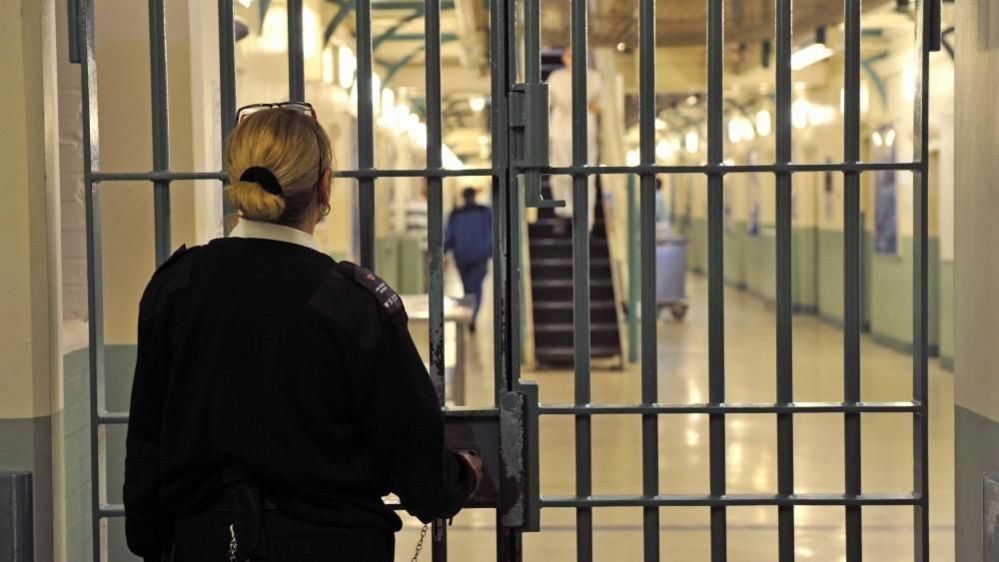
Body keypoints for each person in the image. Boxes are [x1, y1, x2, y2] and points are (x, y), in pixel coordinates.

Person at [123, 102, 482, 562]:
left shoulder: (176, 289)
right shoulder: (351, 304)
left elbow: (148, 444)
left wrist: (156, 541)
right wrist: (461, 475)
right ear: (325, 185)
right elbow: (415, 463)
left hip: (209, 543)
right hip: (336, 546)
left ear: (236, 181)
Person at [547, 46, 603, 233]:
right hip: (560, 132)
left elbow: (588, 100)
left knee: (586, 176)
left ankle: (586, 224)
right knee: (561, 174)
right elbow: (556, 100)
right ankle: (564, 213)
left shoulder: (593, 78)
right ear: (564, 58)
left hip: (585, 132)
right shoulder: (555, 78)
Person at [444, 187, 492, 330]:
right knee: (475, 288)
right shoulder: (485, 212)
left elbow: (449, 236)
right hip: (479, 256)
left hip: (462, 256)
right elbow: (493, 232)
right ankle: (472, 316)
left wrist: (443, 252)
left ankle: (469, 314)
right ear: (474, 196)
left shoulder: (455, 214)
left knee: (467, 287)